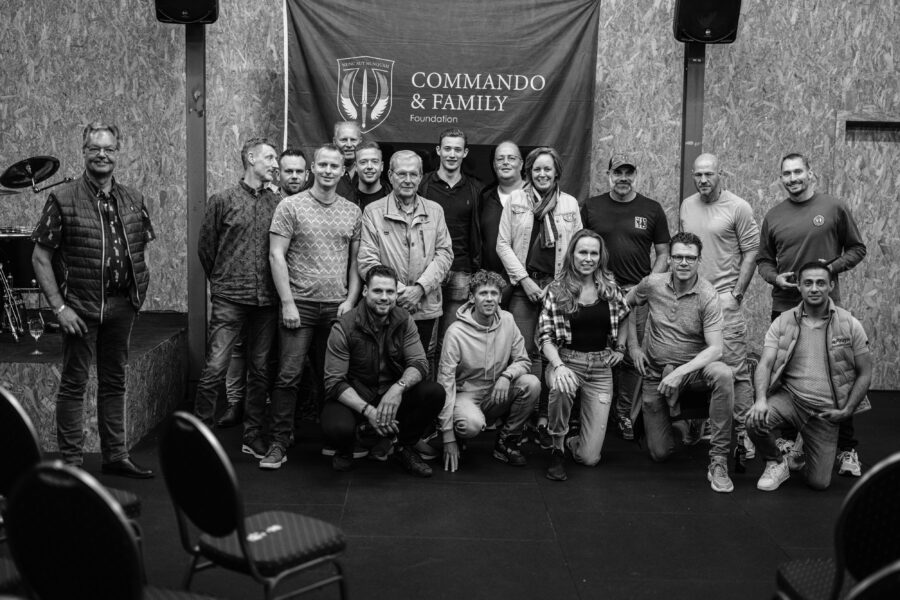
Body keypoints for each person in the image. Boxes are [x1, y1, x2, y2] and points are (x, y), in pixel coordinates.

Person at [30, 120, 155, 478]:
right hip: (80, 308)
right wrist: (60, 308)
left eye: (108, 148)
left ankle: (116, 456)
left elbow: (142, 249)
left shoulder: (133, 199)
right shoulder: (63, 198)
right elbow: (40, 257)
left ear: (118, 152)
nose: (102, 154)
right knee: (74, 384)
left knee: (115, 382)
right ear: (84, 152)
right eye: (95, 148)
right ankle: (71, 464)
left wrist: (136, 296)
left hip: (121, 306)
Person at [757, 152, 867, 476]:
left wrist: (829, 268)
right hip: (785, 306)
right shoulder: (774, 216)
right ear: (781, 178)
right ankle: (787, 441)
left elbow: (857, 249)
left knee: (838, 375)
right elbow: (764, 260)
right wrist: (774, 278)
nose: (792, 178)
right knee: (783, 374)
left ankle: (846, 449)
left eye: (797, 172)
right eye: (786, 174)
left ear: (810, 173)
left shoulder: (833, 207)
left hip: (827, 308)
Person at [263, 144, 363, 469]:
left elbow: (355, 263)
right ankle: (278, 442)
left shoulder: (352, 211)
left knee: (331, 379)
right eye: (323, 165)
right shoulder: (290, 206)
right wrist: (287, 303)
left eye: (335, 166)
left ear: (342, 170)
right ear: (313, 169)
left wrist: (350, 300)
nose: (329, 171)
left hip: (336, 309)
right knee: (288, 376)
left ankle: (334, 440)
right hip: (300, 306)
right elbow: (276, 255)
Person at [626, 232, 735, 493]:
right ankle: (682, 417)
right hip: (655, 372)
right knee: (660, 453)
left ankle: (718, 460)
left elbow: (716, 348)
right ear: (669, 260)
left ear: (699, 260)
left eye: (690, 258)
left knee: (723, 373)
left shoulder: (708, 295)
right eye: (678, 257)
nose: (684, 262)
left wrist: (680, 373)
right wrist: (633, 347)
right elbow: (626, 304)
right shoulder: (652, 284)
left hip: (695, 371)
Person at [748, 262, 872, 491]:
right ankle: (776, 462)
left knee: (819, 483)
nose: (814, 288)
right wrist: (761, 399)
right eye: (808, 283)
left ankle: (802, 445)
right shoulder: (783, 321)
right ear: (799, 286)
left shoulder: (849, 324)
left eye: (820, 283)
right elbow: (765, 364)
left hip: (824, 412)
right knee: (754, 420)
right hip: (791, 400)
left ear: (831, 286)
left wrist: (847, 411)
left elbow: (865, 372)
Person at [195, 137, 280, 461]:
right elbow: (206, 248)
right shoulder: (222, 200)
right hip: (230, 297)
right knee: (215, 367)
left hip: (266, 301)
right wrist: (221, 281)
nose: (275, 164)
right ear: (250, 158)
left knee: (259, 370)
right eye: (269, 157)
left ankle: (253, 435)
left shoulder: (278, 203)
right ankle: (201, 437)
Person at [496, 146, 583, 447]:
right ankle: (525, 417)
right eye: (536, 169)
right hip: (525, 286)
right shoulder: (516, 201)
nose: (542, 174)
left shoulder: (569, 203)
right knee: (524, 353)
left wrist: (557, 285)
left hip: (558, 287)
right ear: (528, 172)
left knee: (553, 352)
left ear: (557, 172)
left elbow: (578, 248)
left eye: (548, 169)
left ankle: (546, 418)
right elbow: (502, 244)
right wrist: (525, 281)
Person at [322, 265, 444, 476]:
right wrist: (370, 412)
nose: (384, 297)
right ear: (365, 291)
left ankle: (403, 447)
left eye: (390, 291)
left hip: (389, 394)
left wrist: (398, 389)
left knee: (434, 393)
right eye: (378, 291)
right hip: (356, 396)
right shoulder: (344, 326)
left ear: (396, 293)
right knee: (337, 427)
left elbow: (419, 363)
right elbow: (334, 382)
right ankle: (348, 446)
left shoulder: (404, 319)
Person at [217, 147, 308, 430]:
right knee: (242, 348)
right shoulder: (268, 200)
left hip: (298, 292)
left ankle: (277, 410)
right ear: (278, 174)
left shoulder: (310, 203)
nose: (293, 176)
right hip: (259, 289)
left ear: (308, 174)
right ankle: (236, 403)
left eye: (299, 172)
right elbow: (212, 247)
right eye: (287, 171)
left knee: (280, 354)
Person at [581, 153, 670, 441]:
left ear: (635, 175)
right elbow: (580, 248)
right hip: (598, 292)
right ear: (608, 175)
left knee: (632, 357)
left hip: (636, 294)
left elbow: (664, 253)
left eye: (628, 173)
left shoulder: (652, 209)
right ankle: (593, 411)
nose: (623, 178)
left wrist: (647, 285)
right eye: (617, 172)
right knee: (594, 350)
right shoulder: (592, 206)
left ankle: (623, 414)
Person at [680, 153, 760, 463]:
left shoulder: (738, 207)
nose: (703, 180)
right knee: (698, 366)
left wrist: (736, 294)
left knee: (736, 372)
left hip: (724, 302)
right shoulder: (687, 205)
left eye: (709, 174)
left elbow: (752, 251)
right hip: (693, 302)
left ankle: (743, 434)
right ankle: (700, 423)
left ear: (720, 174)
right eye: (698, 174)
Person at [539, 230, 630, 481]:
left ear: (600, 257)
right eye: (582, 252)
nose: (588, 258)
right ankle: (557, 448)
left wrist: (620, 348)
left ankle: (574, 442)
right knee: (561, 386)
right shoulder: (556, 290)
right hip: (566, 361)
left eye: (593, 253)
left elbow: (625, 315)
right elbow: (545, 338)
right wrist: (558, 366)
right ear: (572, 255)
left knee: (589, 459)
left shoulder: (610, 289)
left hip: (600, 368)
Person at [357, 150, 453, 370]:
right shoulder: (373, 212)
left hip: (424, 304)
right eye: (401, 174)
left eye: (413, 174)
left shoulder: (435, 211)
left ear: (420, 177)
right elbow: (367, 260)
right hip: (385, 305)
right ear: (390, 176)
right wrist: (397, 292)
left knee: (420, 364)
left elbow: (445, 254)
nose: (408, 180)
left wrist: (419, 289)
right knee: (382, 365)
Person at [435, 270, 540, 472]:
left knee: (531, 383)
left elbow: (523, 360)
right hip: (466, 395)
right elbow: (445, 383)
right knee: (471, 425)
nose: (489, 298)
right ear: (472, 297)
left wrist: (506, 376)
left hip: (495, 393)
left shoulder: (508, 320)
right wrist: (447, 436)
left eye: (494, 293)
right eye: (483, 293)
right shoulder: (455, 332)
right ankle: (459, 432)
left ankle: (505, 441)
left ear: (500, 298)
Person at [418, 128, 484, 370]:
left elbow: (480, 232)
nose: (452, 154)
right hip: (428, 270)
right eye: (447, 148)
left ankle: (444, 391)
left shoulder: (475, 188)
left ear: (465, 153)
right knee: (425, 342)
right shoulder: (423, 184)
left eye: (457, 149)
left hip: (461, 271)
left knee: (449, 341)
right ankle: (424, 390)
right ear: (438, 150)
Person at [479, 141, 525, 281]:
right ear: (494, 165)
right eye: (500, 159)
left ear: (521, 164)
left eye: (511, 158)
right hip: (492, 282)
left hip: (527, 282)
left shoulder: (535, 196)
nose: (505, 162)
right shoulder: (485, 197)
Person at [353, 141, 391, 209]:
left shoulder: (394, 199)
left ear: (382, 166)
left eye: (375, 162)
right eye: (363, 162)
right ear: (355, 166)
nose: (369, 166)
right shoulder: (346, 198)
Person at [333, 121, 362, 199]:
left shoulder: (369, 172)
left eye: (353, 140)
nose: (349, 145)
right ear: (334, 142)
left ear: (360, 141)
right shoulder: (325, 174)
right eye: (344, 140)